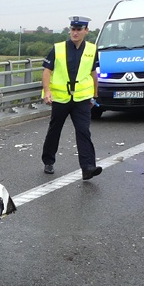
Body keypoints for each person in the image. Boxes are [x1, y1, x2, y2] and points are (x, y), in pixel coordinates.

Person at [41, 16, 102, 180]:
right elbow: (47, 71)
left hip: (82, 99)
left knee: (83, 131)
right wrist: (47, 91)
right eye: (73, 29)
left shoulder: (91, 49)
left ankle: (88, 167)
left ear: (86, 31)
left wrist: (95, 95)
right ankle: (48, 161)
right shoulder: (58, 48)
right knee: (55, 130)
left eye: (79, 29)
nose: (75, 32)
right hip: (60, 98)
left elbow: (93, 73)